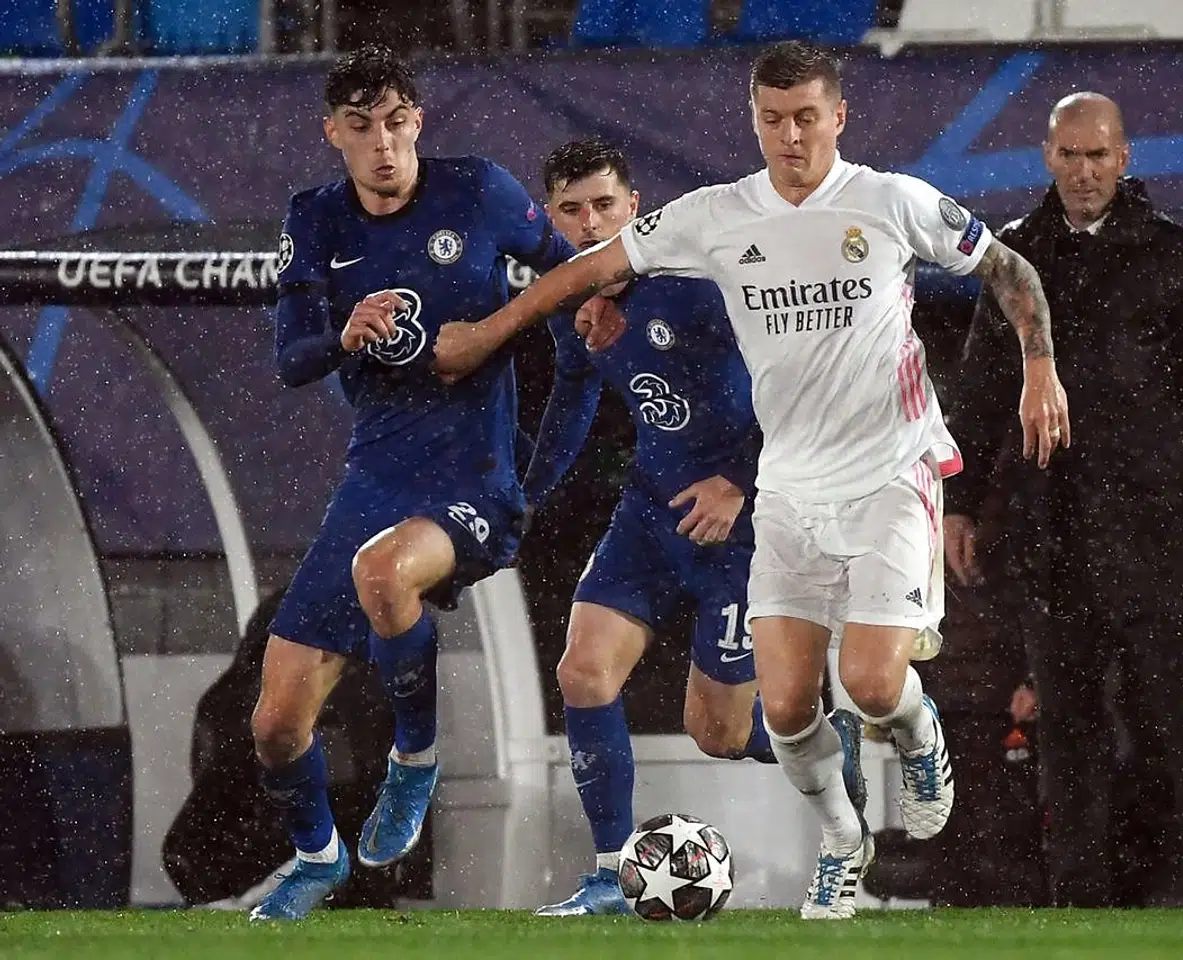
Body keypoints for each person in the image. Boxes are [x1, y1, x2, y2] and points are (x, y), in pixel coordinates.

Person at [433, 42, 1068, 919]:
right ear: (755, 122)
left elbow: (1009, 267)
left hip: (890, 471)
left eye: (807, 117)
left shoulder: (890, 201)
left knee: (875, 684)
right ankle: (844, 847)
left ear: (837, 117)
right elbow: (590, 268)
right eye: (773, 120)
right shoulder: (721, 215)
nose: (791, 136)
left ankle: (921, 741)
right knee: (783, 710)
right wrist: (486, 333)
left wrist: (1041, 366)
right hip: (790, 494)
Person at [250, 43, 575, 921]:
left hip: (475, 474)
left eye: (397, 122)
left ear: (418, 121)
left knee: (384, 573)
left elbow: (573, 270)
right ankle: (317, 857)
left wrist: (491, 331)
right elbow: (289, 361)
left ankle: (416, 761)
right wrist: (343, 333)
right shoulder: (315, 218)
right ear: (334, 134)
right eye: (362, 128)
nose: (383, 145)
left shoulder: (477, 190)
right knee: (276, 728)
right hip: (376, 475)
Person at [524, 138, 861, 916]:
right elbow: (573, 399)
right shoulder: (573, 300)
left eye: (605, 204)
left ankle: (826, 743)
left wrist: (738, 483)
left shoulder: (702, 284)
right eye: (572, 210)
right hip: (650, 514)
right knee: (582, 672)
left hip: (743, 534)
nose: (589, 222)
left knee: (714, 730)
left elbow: (797, 387)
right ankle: (610, 874)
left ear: (636, 207)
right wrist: (528, 495)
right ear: (552, 218)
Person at [944, 92, 1183, 907]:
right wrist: (958, 504)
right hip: (1054, 533)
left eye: (1098, 156)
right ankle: (1078, 909)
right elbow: (979, 394)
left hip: (1157, 531)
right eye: (1069, 155)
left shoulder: (1175, 254)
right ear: (1046, 157)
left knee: (1182, 731)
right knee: (1069, 739)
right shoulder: (1012, 259)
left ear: (1126, 158)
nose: (1083, 172)